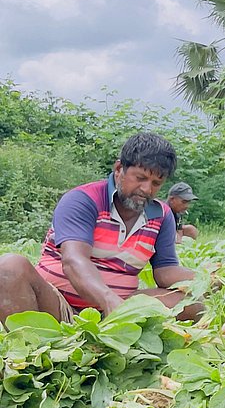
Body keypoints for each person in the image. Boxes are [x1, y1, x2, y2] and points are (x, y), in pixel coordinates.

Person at [0, 132, 199, 325]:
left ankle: (109, 337)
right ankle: (31, 345)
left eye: (156, 183)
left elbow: (165, 271)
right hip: (56, 308)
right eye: (140, 178)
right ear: (119, 169)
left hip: (116, 312)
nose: (147, 189)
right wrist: (108, 299)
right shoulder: (84, 200)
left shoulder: (162, 215)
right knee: (10, 267)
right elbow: (74, 260)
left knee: (192, 304)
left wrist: (208, 278)